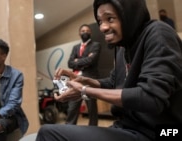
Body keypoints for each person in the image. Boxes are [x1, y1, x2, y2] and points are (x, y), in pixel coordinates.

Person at [36, 0, 182, 141]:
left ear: (130, 15)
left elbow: (151, 98)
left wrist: (85, 90)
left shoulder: (158, 33)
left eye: (110, 18)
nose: (103, 27)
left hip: (162, 133)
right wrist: (85, 81)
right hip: (127, 127)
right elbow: (113, 82)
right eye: (100, 21)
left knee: (48, 133)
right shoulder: (122, 48)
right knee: (52, 131)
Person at [66, 24, 101, 126]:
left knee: (92, 108)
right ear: (79, 33)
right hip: (75, 81)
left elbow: (91, 60)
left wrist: (77, 61)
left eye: (87, 31)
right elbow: (70, 63)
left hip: (89, 80)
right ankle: (69, 130)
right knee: (72, 108)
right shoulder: (75, 47)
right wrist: (85, 60)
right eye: (82, 31)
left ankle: (93, 130)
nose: (85, 32)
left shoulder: (96, 45)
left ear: (90, 33)